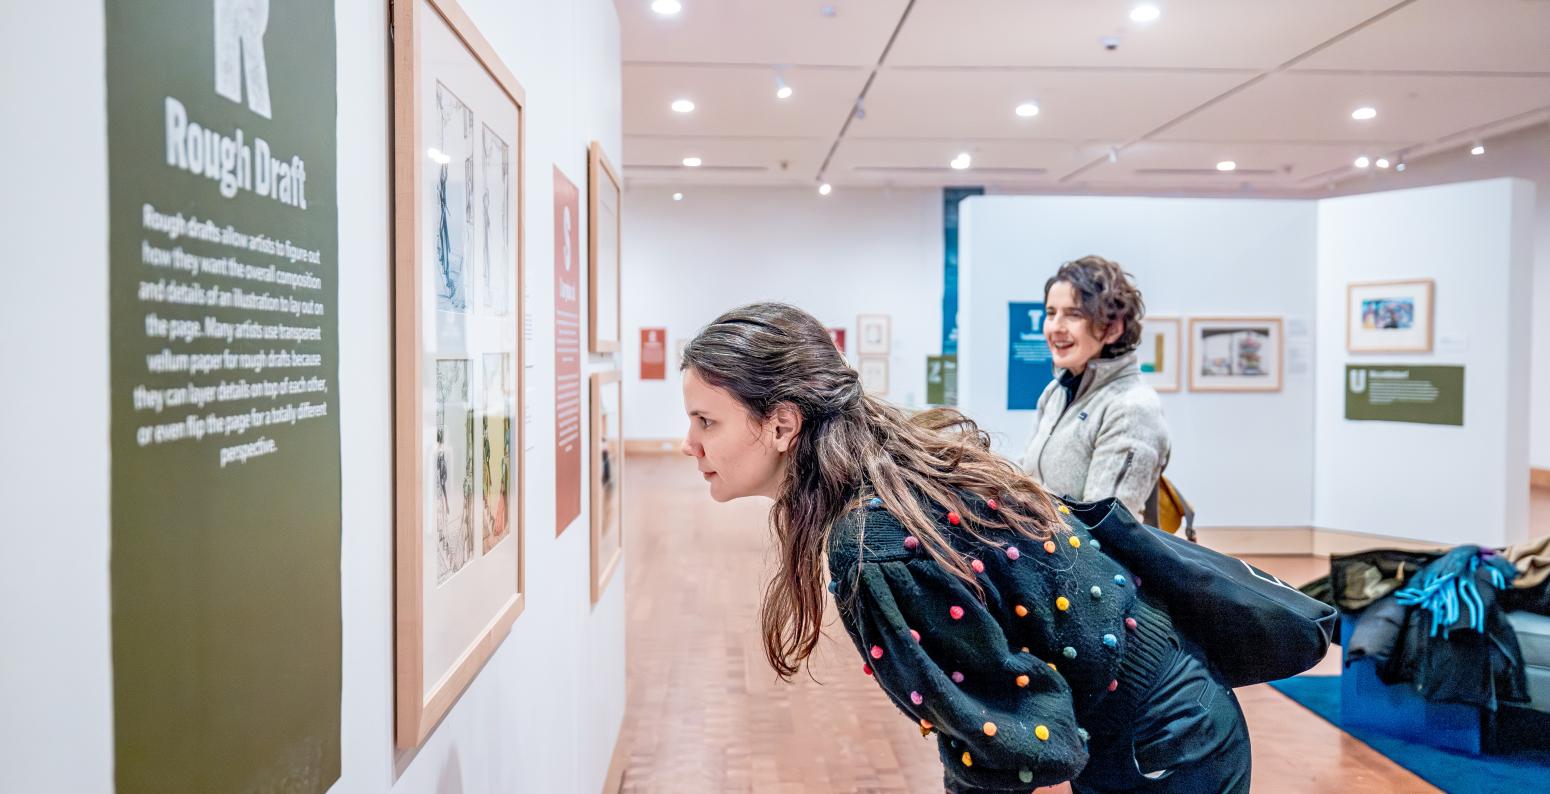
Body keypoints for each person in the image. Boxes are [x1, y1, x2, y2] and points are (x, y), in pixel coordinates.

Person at [679, 302, 1250, 793]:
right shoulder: (886, 483)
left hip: (1166, 745)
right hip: (1169, 719)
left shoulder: (871, 544)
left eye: (706, 421)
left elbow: (1017, 738)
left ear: (782, 425)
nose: (689, 444)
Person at [1021, 256, 1169, 523]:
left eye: (1074, 314)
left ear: (1112, 328)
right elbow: (1028, 480)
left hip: (1081, 561)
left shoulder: (1131, 408)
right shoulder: (1055, 392)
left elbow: (1104, 531)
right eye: (1051, 313)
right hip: (1044, 551)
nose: (1055, 327)